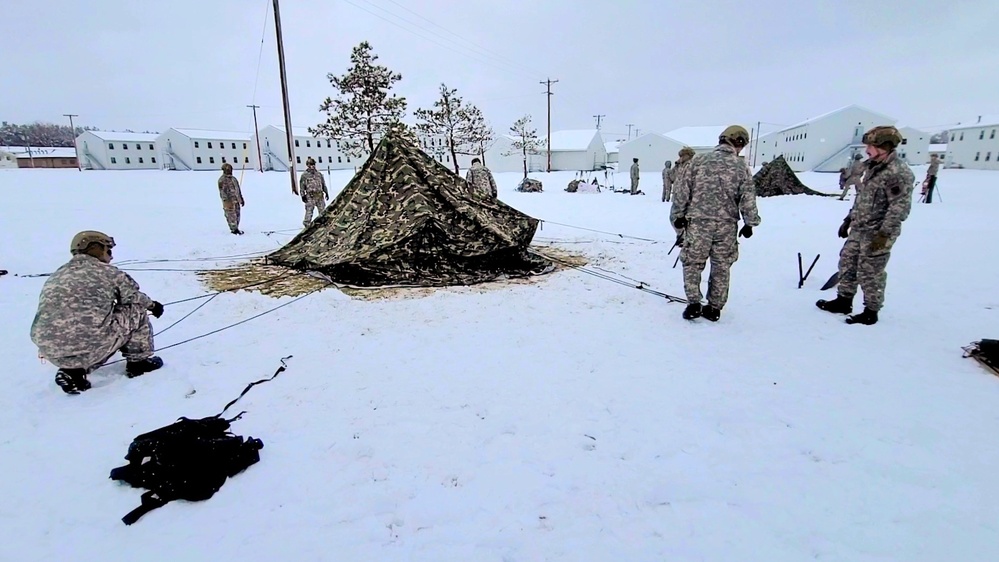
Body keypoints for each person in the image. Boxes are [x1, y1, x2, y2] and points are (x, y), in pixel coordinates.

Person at [30, 231, 164, 394]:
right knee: (135, 308)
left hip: (49, 348)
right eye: (108, 250)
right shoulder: (109, 272)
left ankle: (73, 372)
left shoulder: (58, 274)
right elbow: (134, 298)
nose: (111, 256)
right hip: (89, 343)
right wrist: (153, 305)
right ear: (94, 248)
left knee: (84, 330)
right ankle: (139, 362)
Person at [816, 126, 915, 325]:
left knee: (870, 271)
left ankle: (871, 310)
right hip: (859, 228)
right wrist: (848, 219)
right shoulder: (872, 167)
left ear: (884, 147)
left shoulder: (898, 172)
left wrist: (884, 234)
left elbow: (899, 208)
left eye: (871, 146)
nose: (867, 150)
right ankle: (844, 301)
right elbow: (863, 199)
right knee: (848, 262)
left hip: (878, 232)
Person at [670, 126, 761, 322]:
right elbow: (748, 196)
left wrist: (678, 217)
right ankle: (714, 307)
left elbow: (681, 192)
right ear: (738, 142)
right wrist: (750, 222)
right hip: (726, 226)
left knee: (693, 263)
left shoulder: (697, 162)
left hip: (698, 223)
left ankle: (694, 303)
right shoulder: (741, 167)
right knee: (721, 266)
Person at [299, 157, 329, 228]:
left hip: (320, 196)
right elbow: (302, 187)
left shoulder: (319, 174)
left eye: (313, 164)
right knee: (309, 212)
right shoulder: (304, 175)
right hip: (311, 197)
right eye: (310, 164)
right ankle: (307, 225)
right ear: (307, 165)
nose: (312, 166)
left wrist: (326, 192)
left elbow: (323, 184)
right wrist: (303, 196)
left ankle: (323, 223)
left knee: (323, 212)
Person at [218, 163, 245, 235]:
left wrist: (241, 199)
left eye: (230, 169)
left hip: (236, 201)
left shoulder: (233, 179)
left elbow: (238, 190)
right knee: (231, 216)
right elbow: (222, 192)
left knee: (237, 215)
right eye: (227, 169)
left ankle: (236, 228)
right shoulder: (222, 180)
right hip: (229, 202)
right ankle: (234, 230)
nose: (229, 171)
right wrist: (227, 202)